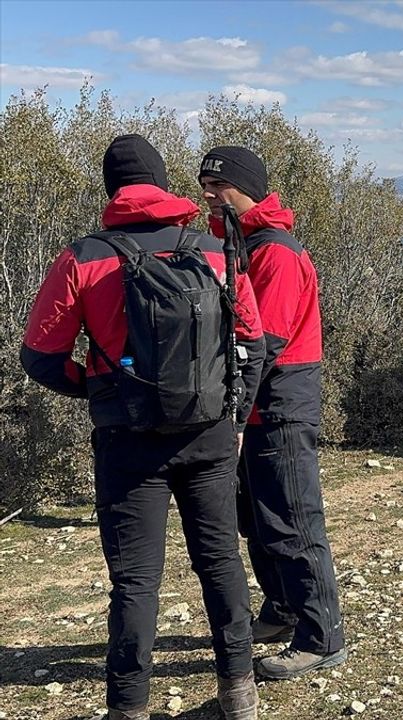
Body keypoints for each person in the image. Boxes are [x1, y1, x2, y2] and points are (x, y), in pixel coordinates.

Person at [22, 135, 266, 719]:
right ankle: (239, 693)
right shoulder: (214, 250)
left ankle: (128, 708)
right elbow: (253, 343)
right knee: (221, 563)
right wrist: (234, 414)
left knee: (135, 582)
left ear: (112, 190)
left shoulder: (83, 257)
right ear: (162, 184)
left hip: (128, 442)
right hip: (207, 433)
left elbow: (39, 356)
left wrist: (102, 389)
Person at [198, 146, 347, 681]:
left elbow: (264, 343)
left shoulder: (275, 251)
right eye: (204, 186)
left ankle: (321, 636)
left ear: (245, 188)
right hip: (257, 405)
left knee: (293, 520)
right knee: (257, 519)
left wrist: (231, 419)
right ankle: (283, 610)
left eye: (217, 186)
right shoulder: (240, 243)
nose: (208, 196)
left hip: (281, 403)